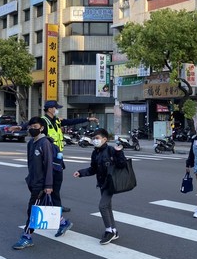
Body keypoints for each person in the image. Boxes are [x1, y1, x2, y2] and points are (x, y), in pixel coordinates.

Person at [9, 101, 99, 213]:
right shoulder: (43, 121)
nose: (57, 110)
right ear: (51, 109)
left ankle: (56, 206)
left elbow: (70, 121)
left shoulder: (56, 120)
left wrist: (88, 119)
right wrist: (20, 126)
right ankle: (44, 207)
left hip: (58, 157)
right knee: (47, 183)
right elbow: (32, 123)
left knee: (57, 183)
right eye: (56, 108)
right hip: (47, 156)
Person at [13, 116, 72, 250]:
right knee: (43, 204)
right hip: (33, 181)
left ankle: (26, 237)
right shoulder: (31, 143)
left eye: (35, 127)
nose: (33, 130)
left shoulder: (44, 143)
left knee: (32, 210)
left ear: (42, 128)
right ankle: (62, 222)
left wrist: (48, 186)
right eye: (31, 127)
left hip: (42, 184)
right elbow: (31, 164)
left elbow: (49, 166)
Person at [73, 128, 126, 245]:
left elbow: (122, 164)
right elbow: (93, 169)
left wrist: (119, 152)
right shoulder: (95, 152)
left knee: (102, 206)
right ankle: (114, 230)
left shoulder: (111, 150)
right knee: (107, 207)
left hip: (111, 183)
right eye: (93, 138)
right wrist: (81, 172)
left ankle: (109, 231)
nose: (94, 140)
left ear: (104, 139)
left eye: (97, 138)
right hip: (102, 183)